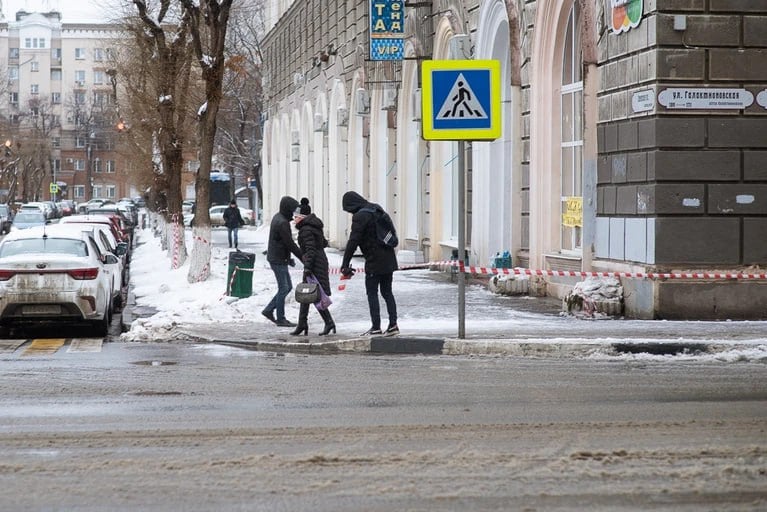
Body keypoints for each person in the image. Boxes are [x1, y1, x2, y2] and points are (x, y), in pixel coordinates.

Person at [340, 191, 399, 336]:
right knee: (387, 292)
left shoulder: (360, 216)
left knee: (372, 292)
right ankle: (393, 325)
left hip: (374, 260)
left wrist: (345, 263)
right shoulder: (376, 209)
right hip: (389, 258)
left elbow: (353, 241)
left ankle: (376, 327)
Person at [290, 198, 335, 337]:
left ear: (302, 217)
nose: (294, 219)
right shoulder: (314, 226)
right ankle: (304, 323)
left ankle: (325, 322)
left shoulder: (305, 230)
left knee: (313, 293)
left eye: (296, 217)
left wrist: (308, 267)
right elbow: (323, 243)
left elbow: (310, 250)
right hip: (318, 261)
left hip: (315, 264)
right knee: (308, 293)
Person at [262, 196, 303, 327]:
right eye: (292, 209)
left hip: (279, 258)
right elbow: (289, 243)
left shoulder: (279, 217)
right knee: (284, 288)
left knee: (287, 287)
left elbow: (283, 243)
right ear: (287, 208)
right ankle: (280, 318)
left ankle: (269, 310)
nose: (294, 213)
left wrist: (288, 258)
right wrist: (303, 257)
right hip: (277, 259)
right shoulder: (282, 222)